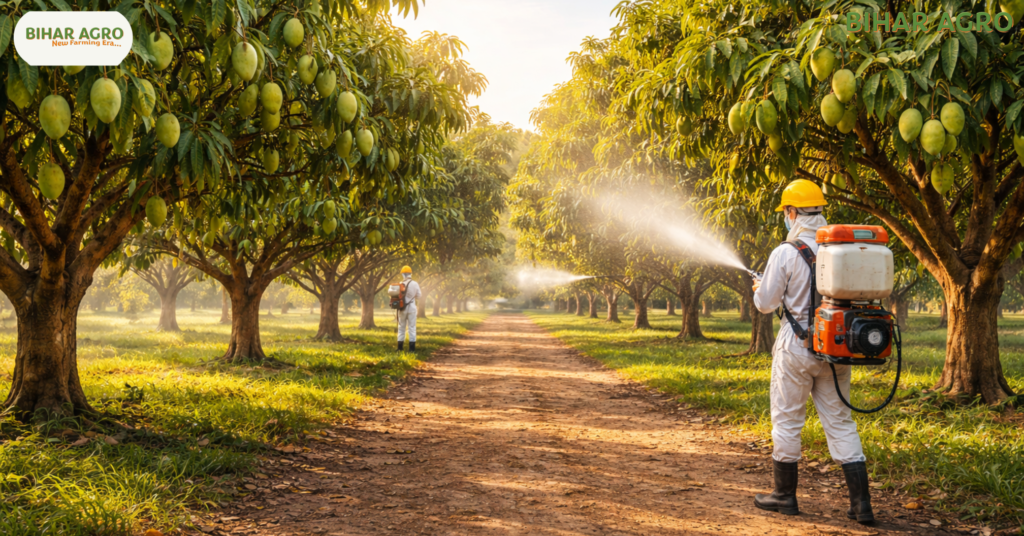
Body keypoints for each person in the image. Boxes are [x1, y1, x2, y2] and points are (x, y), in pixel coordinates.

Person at [751, 179, 874, 524]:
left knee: (788, 420)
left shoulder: (786, 253)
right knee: (840, 422)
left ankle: (785, 497)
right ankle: (861, 505)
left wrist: (760, 286)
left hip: (795, 348)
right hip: (835, 348)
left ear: (792, 213)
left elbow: (765, 304)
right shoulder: (842, 252)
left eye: (785, 213)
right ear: (819, 210)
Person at [396, 265, 422, 352]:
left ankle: (400, 348)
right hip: (411, 308)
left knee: (401, 327)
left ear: (403, 274)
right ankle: (411, 349)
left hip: (402, 308)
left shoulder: (401, 284)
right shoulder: (415, 284)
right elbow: (419, 296)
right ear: (410, 274)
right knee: (412, 328)